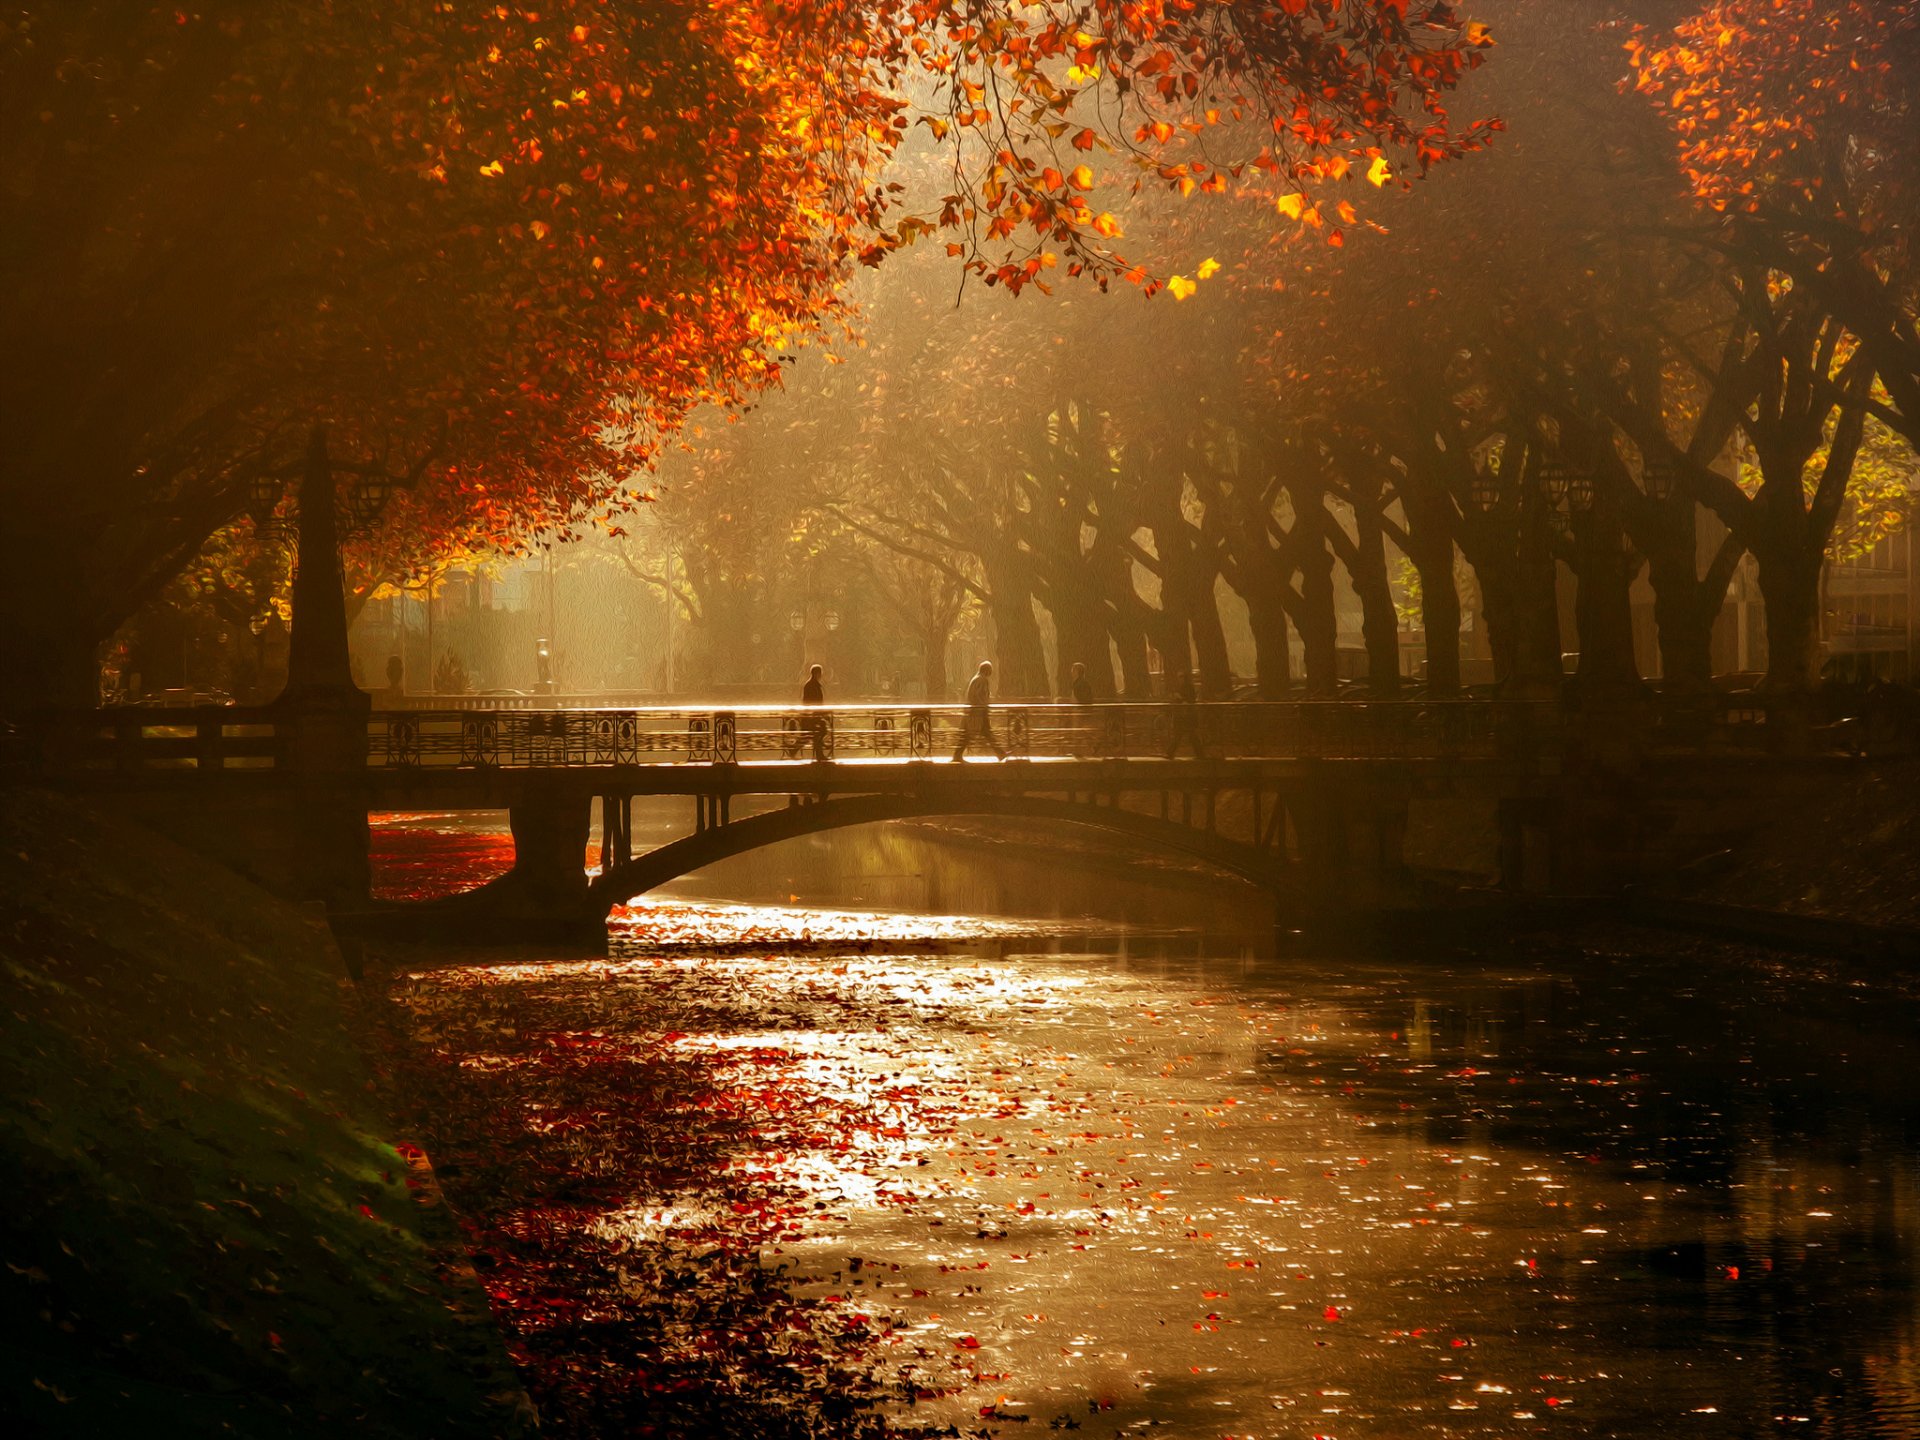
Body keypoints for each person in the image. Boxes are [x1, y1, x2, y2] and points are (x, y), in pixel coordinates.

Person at [952, 660, 1006, 760]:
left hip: (974, 711)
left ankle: (1000, 753)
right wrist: (983, 705)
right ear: (987, 670)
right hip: (978, 712)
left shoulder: (976, 678)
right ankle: (1000, 753)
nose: (991, 672)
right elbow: (978, 695)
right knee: (974, 733)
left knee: (979, 733)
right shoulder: (982, 680)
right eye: (990, 670)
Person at [1164, 671, 1206, 759]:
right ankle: (1199, 754)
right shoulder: (1185, 687)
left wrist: (1180, 698)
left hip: (1185, 715)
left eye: (1181, 677)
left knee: (1183, 735)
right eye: (1179, 677)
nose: (1180, 679)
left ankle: (1170, 753)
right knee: (1188, 735)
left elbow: (1189, 700)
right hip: (1186, 716)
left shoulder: (1186, 688)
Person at [801, 663, 829, 762]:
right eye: (820, 673)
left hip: (814, 716)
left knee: (819, 731)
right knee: (820, 730)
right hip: (811, 717)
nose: (821, 675)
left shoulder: (812, 684)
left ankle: (819, 753)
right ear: (816, 673)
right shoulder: (811, 685)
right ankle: (819, 754)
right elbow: (808, 702)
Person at [1068, 661, 1094, 755]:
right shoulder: (1080, 683)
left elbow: (1081, 698)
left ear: (1077, 671)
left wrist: (1077, 708)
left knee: (1078, 731)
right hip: (1079, 710)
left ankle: (1078, 750)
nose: (1071, 671)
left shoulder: (1080, 684)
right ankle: (1092, 745)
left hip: (1079, 711)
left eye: (1073, 669)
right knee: (1080, 730)